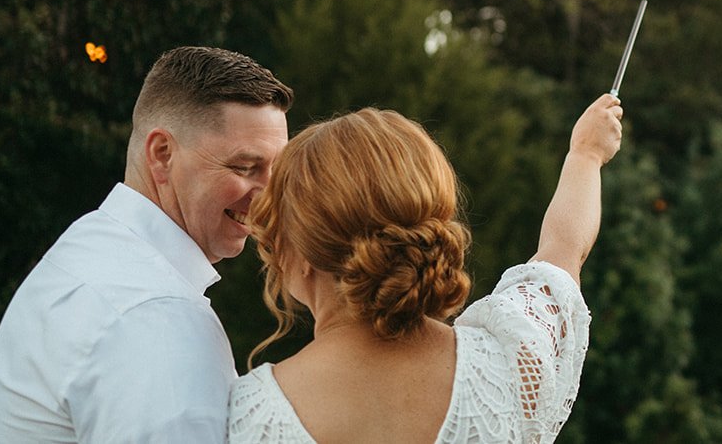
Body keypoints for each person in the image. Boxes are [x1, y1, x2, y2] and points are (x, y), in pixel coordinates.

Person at [227, 93, 624, 444]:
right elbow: (564, 249)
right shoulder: (510, 359)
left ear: (298, 251)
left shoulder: (253, 416)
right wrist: (586, 155)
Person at [0, 46, 294, 443]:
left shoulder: (92, 250)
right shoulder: (154, 313)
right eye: (245, 168)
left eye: (277, 172)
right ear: (162, 155)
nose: (269, 196)